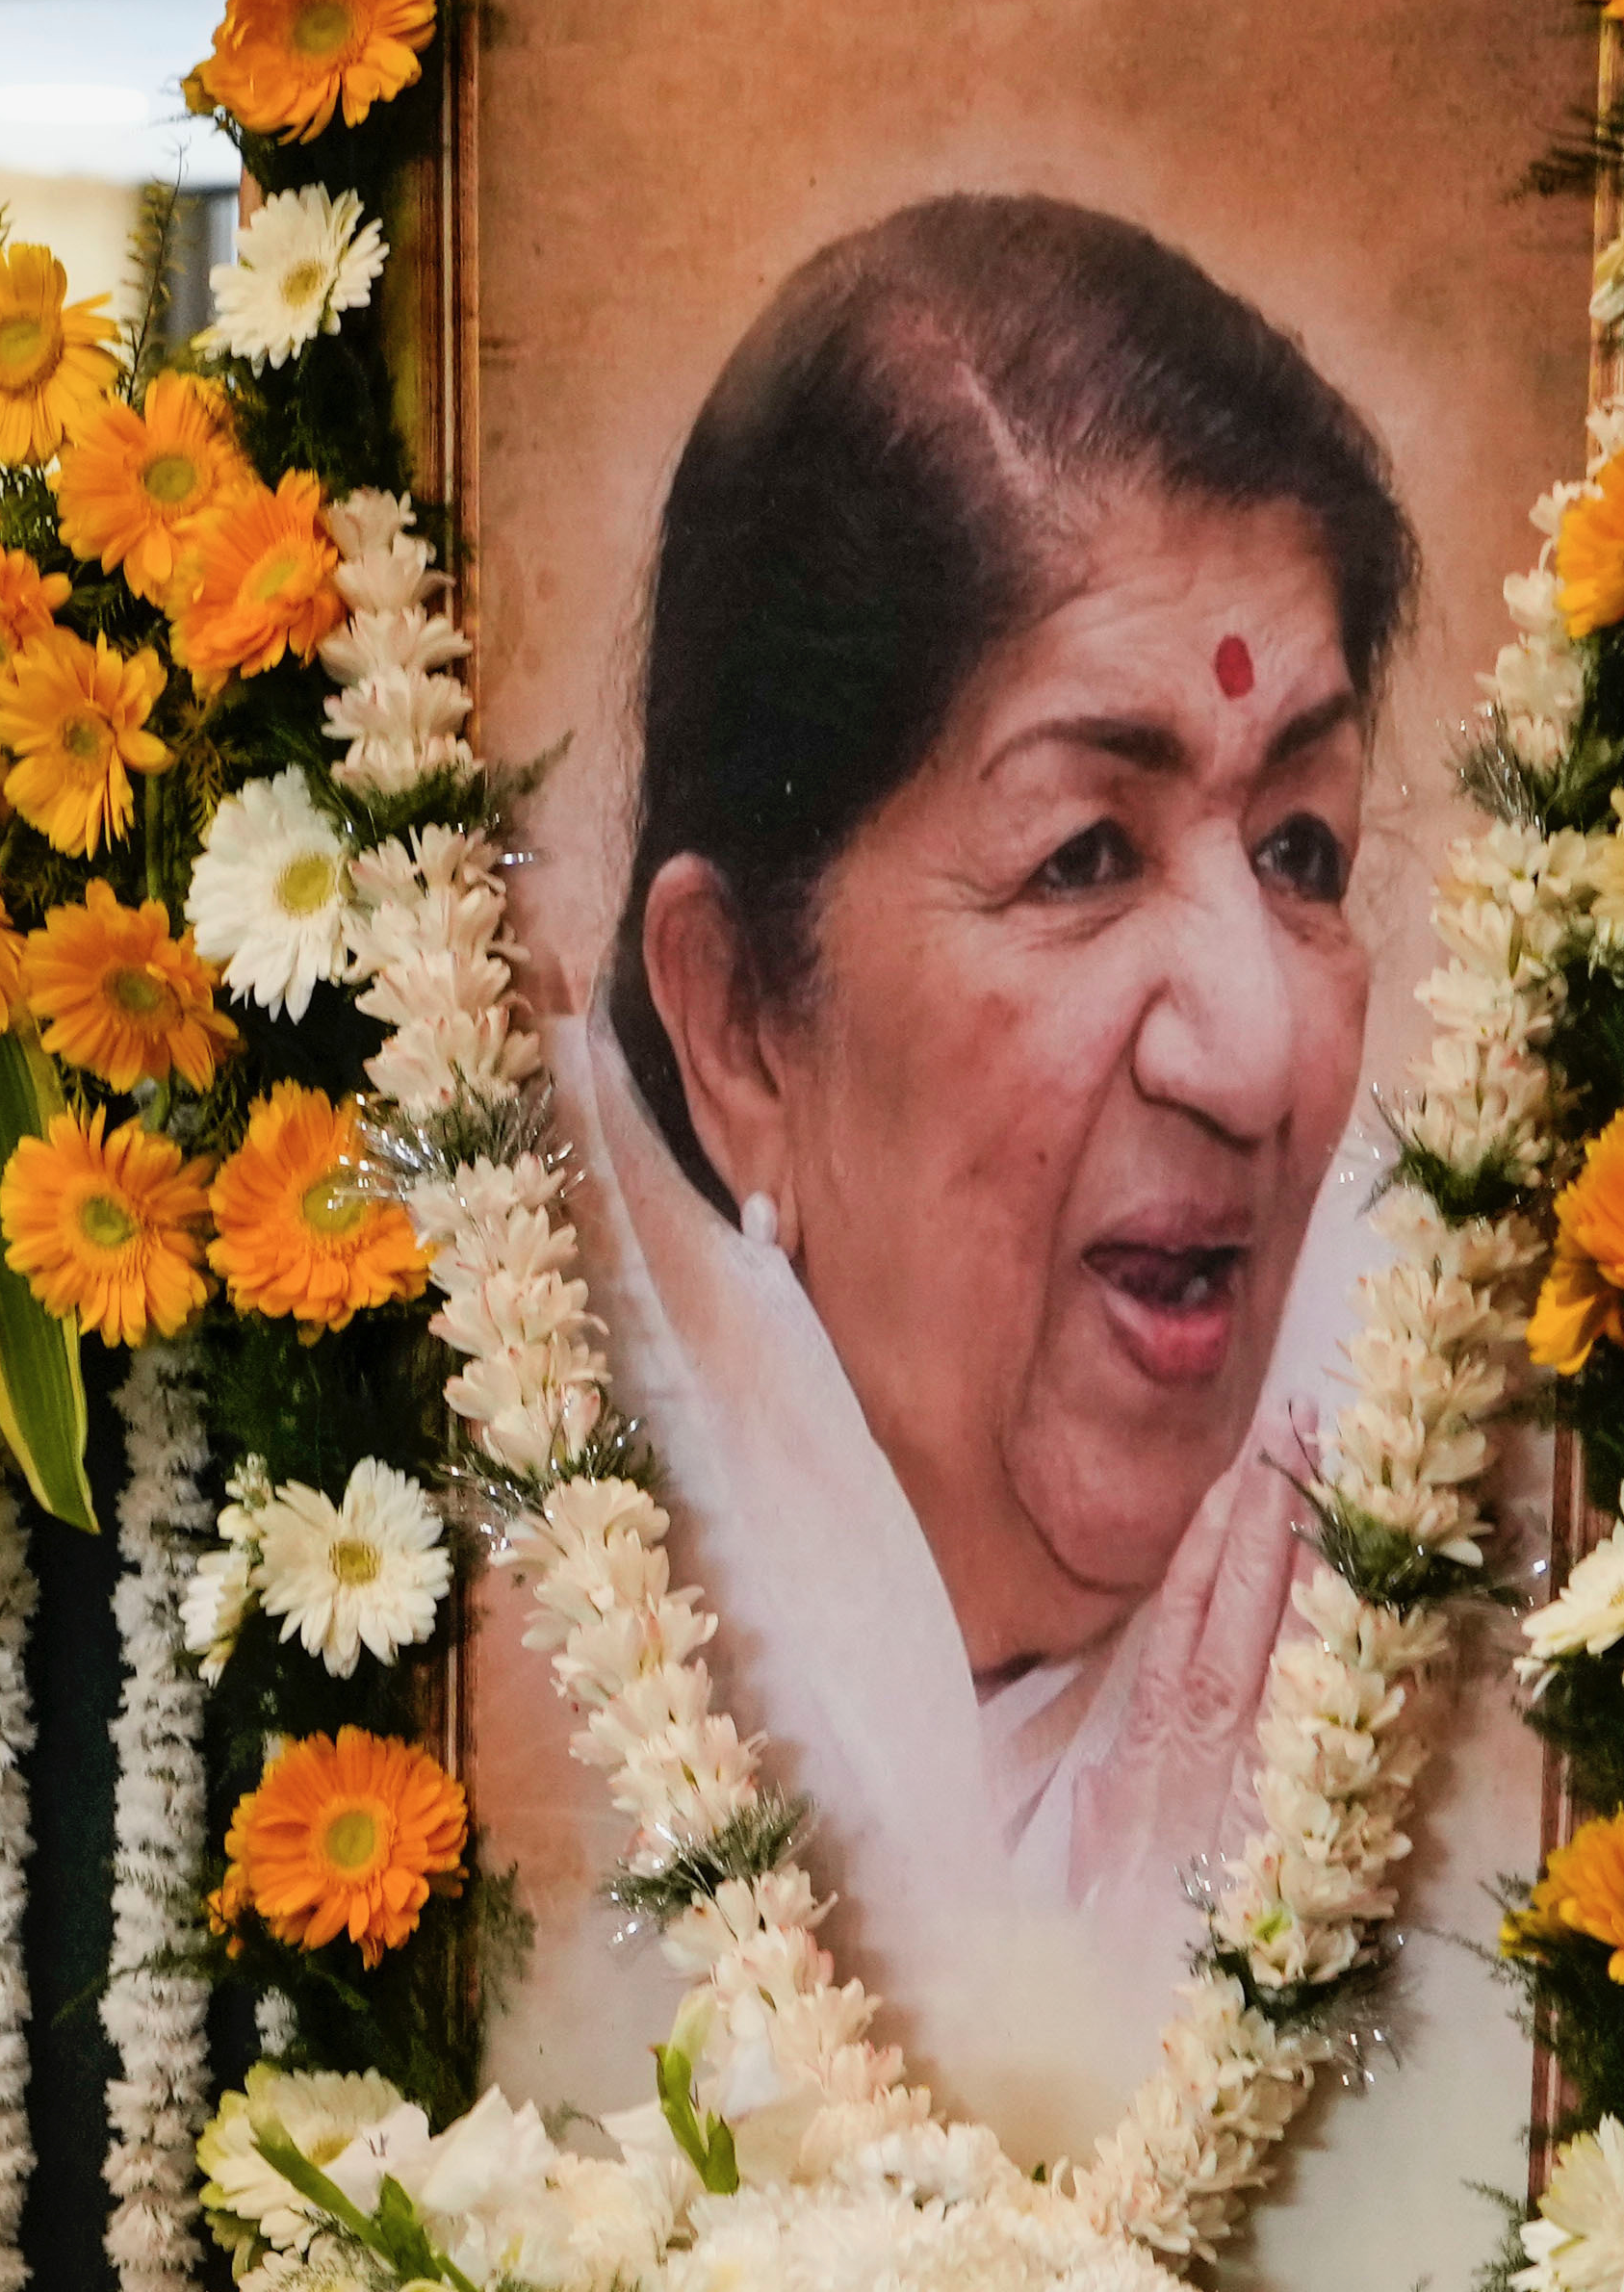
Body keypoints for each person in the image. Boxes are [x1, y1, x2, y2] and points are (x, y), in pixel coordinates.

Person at [592, 194, 1412, 2022]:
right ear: (736, 1026)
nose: (1256, 1047)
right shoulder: (507, 1696)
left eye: (1301, 848)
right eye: (1081, 857)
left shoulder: (1479, 1629)